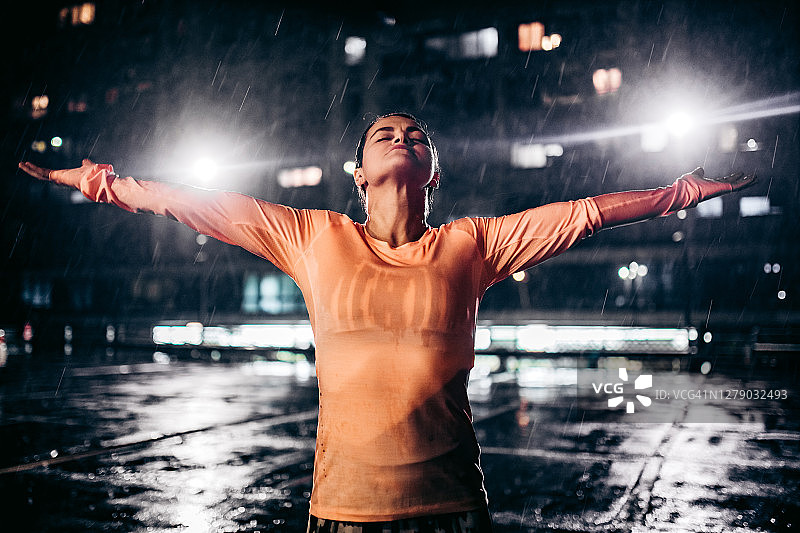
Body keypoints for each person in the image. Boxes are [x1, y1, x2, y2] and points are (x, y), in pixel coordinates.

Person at [19, 112, 755, 532]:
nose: (402, 135)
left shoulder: (471, 244)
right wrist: (97, 182)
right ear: (358, 172)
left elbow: (584, 214)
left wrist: (682, 192)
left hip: (452, 508)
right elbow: (188, 201)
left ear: (433, 171)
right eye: (384, 132)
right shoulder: (312, 236)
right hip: (343, 513)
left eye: (416, 133)